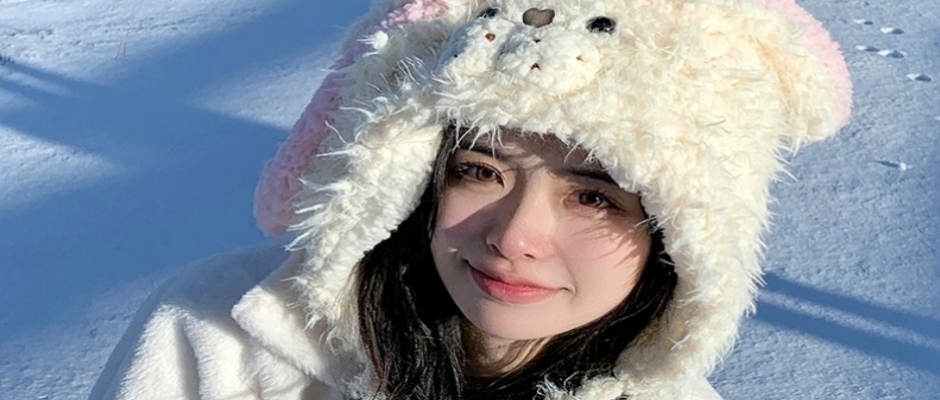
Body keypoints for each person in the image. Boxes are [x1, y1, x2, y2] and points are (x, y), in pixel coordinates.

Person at [89, 0, 853, 399]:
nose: (516, 235)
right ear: (410, 172)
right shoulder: (216, 334)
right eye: (481, 170)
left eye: (594, 198)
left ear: (678, 239)